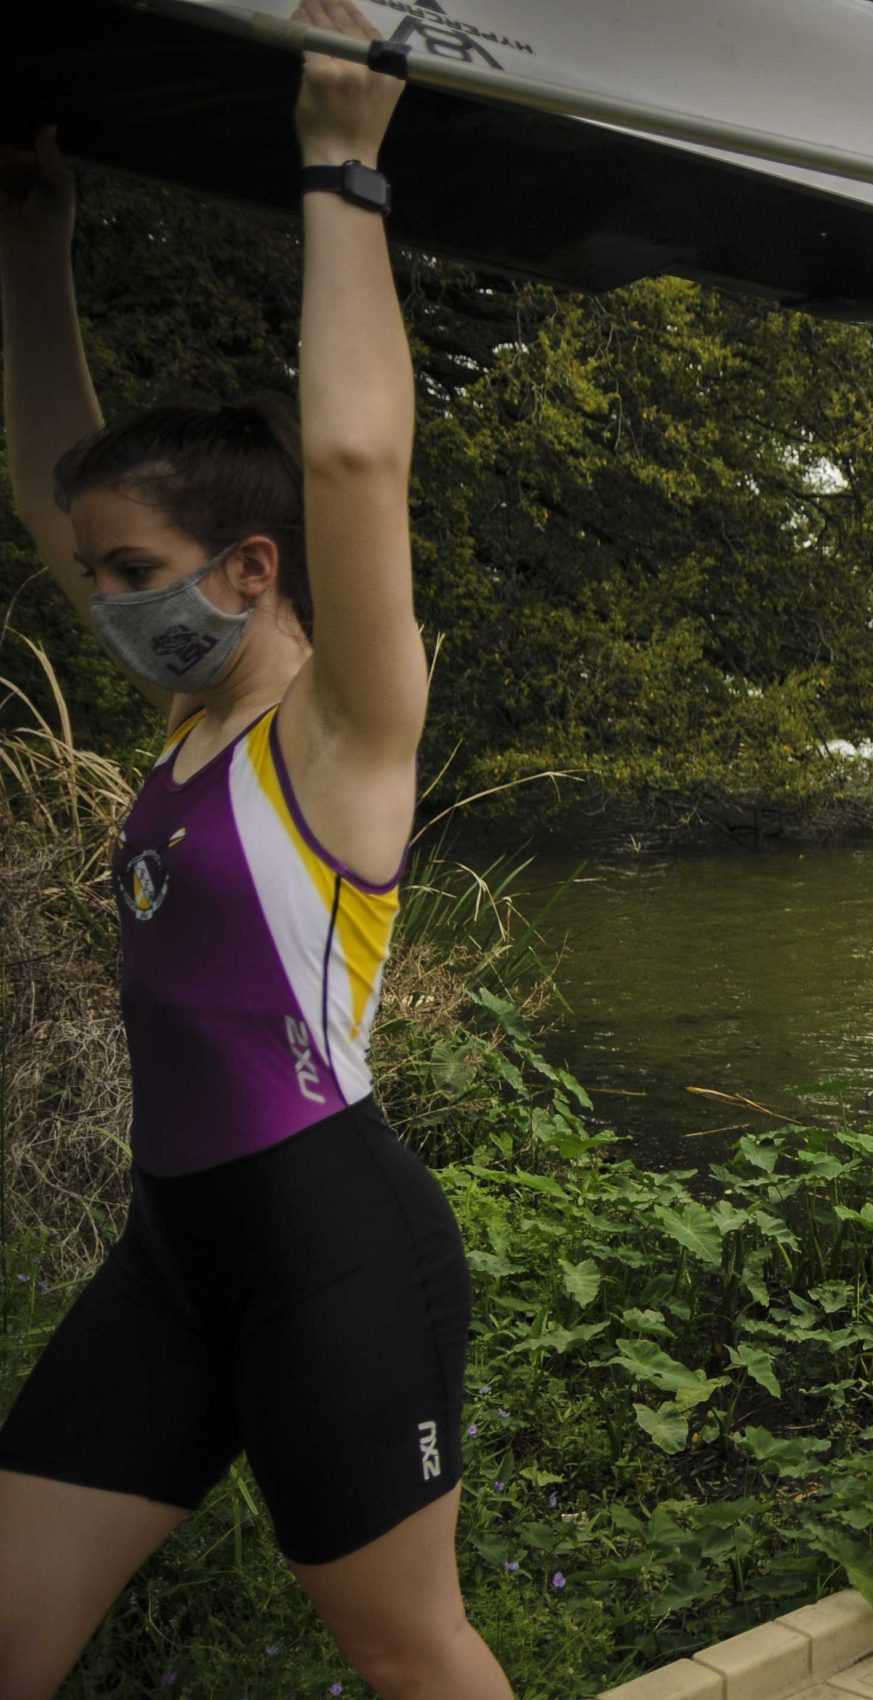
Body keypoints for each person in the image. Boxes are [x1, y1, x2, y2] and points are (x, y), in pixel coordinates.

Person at [0, 10, 515, 1696]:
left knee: (412, 1657)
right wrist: (33, 234)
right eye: (95, 577)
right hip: (178, 1257)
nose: (107, 597)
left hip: (332, 1258)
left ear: (247, 567)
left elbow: (361, 453)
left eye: (133, 567)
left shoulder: (340, 731)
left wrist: (341, 160)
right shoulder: (183, 724)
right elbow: (50, 479)